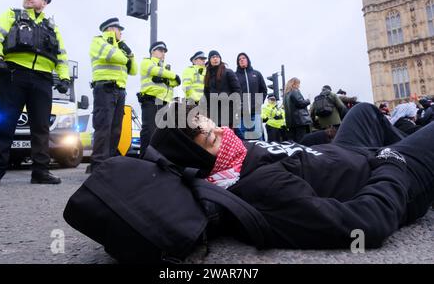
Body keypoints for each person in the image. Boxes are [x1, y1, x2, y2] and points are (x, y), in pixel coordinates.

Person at [150, 102, 434, 250]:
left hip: (346, 154)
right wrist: (392, 164)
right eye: (212, 138)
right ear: (200, 161)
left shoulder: (231, 157)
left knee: (363, 112)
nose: (225, 132)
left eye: (213, 124)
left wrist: (322, 138)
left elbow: (284, 152)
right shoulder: (261, 189)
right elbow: (365, 226)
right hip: (386, 174)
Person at [0, 0, 70, 187]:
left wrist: (64, 77)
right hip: (13, 74)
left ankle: (41, 172)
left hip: (42, 79)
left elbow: (61, 56)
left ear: (44, 2)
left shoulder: (52, 27)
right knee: (4, 124)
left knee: (41, 128)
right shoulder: (11, 16)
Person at [88, 18, 138, 173]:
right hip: (105, 89)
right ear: (110, 29)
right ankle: (98, 165)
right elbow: (114, 57)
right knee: (103, 127)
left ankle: (109, 163)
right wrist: (126, 55)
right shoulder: (98, 41)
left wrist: (130, 55)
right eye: (119, 30)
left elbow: (133, 70)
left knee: (116, 129)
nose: (121, 33)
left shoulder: (119, 47)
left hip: (120, 90)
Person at [138, 41, 180, 157]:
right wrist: (171, 76)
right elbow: (157, 71)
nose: (163, 53)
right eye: (160, 50)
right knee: (149, 132)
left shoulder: (165, 68)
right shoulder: (146, 62)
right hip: (151, 101)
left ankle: (154, 161)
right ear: (153, 51)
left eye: (164, 51)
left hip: (164, 102)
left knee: (160, 134)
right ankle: (143, 160)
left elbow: (175, 82)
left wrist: (165, 78)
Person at [203, 50, 241, 130]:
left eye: (217, 57)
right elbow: (206, 94)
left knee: (229, 137)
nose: (215, 59)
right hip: (214, 113)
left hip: (228, 111)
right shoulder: (207, 75)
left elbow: (237, 90)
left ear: (220, 59)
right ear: (209, 60)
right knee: (218, 139)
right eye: (213, 57)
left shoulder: (228, 72)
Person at [235, 53, 267, 140]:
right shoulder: (234, 76)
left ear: (248, 60)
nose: (241, 60)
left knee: (258, 140)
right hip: (241, 115)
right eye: (239, 59)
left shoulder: (257, 74)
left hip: (255, 113)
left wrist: (258, 103)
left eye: (243, 58)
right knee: (242, 141)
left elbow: (263, 90)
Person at [283, 77, 312, 143]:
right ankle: (301, 153)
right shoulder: (295, 91)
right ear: (294, 84)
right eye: (298, 84)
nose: (299, 86)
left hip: (291, 122)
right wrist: (308, 101)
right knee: (302, 140)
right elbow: (300, 103)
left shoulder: (286, 95)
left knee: (294, 141)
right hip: (300, 120)